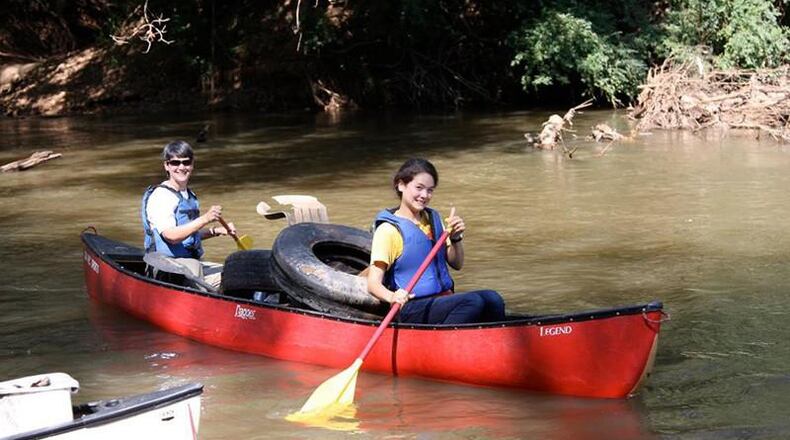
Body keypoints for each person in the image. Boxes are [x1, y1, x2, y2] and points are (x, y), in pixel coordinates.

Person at [367, 158, 506, 324]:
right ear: (401, 185)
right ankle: (447, 344)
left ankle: (491, 343)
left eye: (430, 190)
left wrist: (455, 237)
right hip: (412, 307)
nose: (424, 196)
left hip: (442, 299)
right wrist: (392, 296)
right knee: (472, 302)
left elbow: (457, 263)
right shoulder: (388, 231)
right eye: (419, 188)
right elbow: (373, 284)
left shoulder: (434, 219)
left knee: (493, 299)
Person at [141, 140, 235, 288]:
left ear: (192, 165)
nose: (181, 167)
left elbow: (189, 235)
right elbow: (171, 236)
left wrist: (216, 231)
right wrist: (205, 218)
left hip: (186, 263)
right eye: (175, 163)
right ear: (166, 165)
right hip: (165, 266)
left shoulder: (188, 195)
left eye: (186, 162)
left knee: (234, 272)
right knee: (200, 269)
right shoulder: (161, 196)